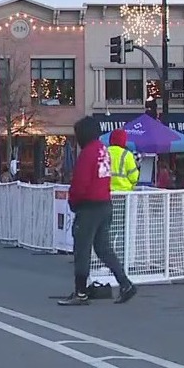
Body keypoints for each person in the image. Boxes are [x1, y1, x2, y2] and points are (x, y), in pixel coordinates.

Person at [58, 116, 136, 306]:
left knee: (82, 249)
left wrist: (73, 201)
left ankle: (80, 292)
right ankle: (125, 283)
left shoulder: (88, 153)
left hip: (89, 206)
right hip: (105, 203)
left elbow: (80, 183)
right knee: (103, 248)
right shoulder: (103, 150)